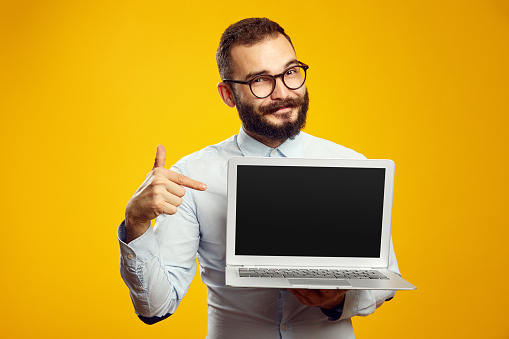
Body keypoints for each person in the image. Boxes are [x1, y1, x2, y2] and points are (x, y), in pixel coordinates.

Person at [118, 17, 400, 338]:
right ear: (228, 94)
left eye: (291, 72)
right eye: (261, 80)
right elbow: (155, 307)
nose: (282, 92)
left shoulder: (350, 165)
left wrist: (338, 300)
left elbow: (384, 281)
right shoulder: (191, 176)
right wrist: (137, 224)